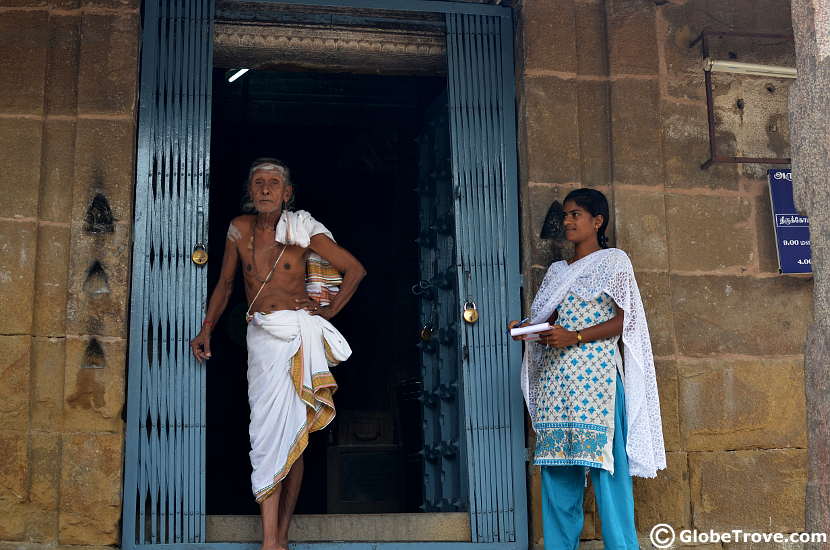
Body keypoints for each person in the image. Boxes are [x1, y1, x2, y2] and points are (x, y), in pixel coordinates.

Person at [190, 158, 366, 550]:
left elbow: (354, 269)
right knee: (266, 434)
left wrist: (329, 310)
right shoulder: (238, 229)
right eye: (258, 182)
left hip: (295, 335)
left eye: (274, 183)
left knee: (294, 433)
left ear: (287, 193)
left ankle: (278, 537)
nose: (266, 188)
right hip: (261, 338)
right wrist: (207, 329)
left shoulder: (303, 232)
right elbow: (226, 283)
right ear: (250, 191)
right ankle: (271, 538)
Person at [508, 188, 665, 550]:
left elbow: (628, 322)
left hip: (598, 383)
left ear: (598, 221)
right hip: (557, 385)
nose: (567, 221)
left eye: (575, 214)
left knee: (609, 472)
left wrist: (575, 336)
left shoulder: (614, 262)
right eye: (565, 215)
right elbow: (547, 320)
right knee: (558, 475)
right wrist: (526, 328)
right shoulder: (557, 272)